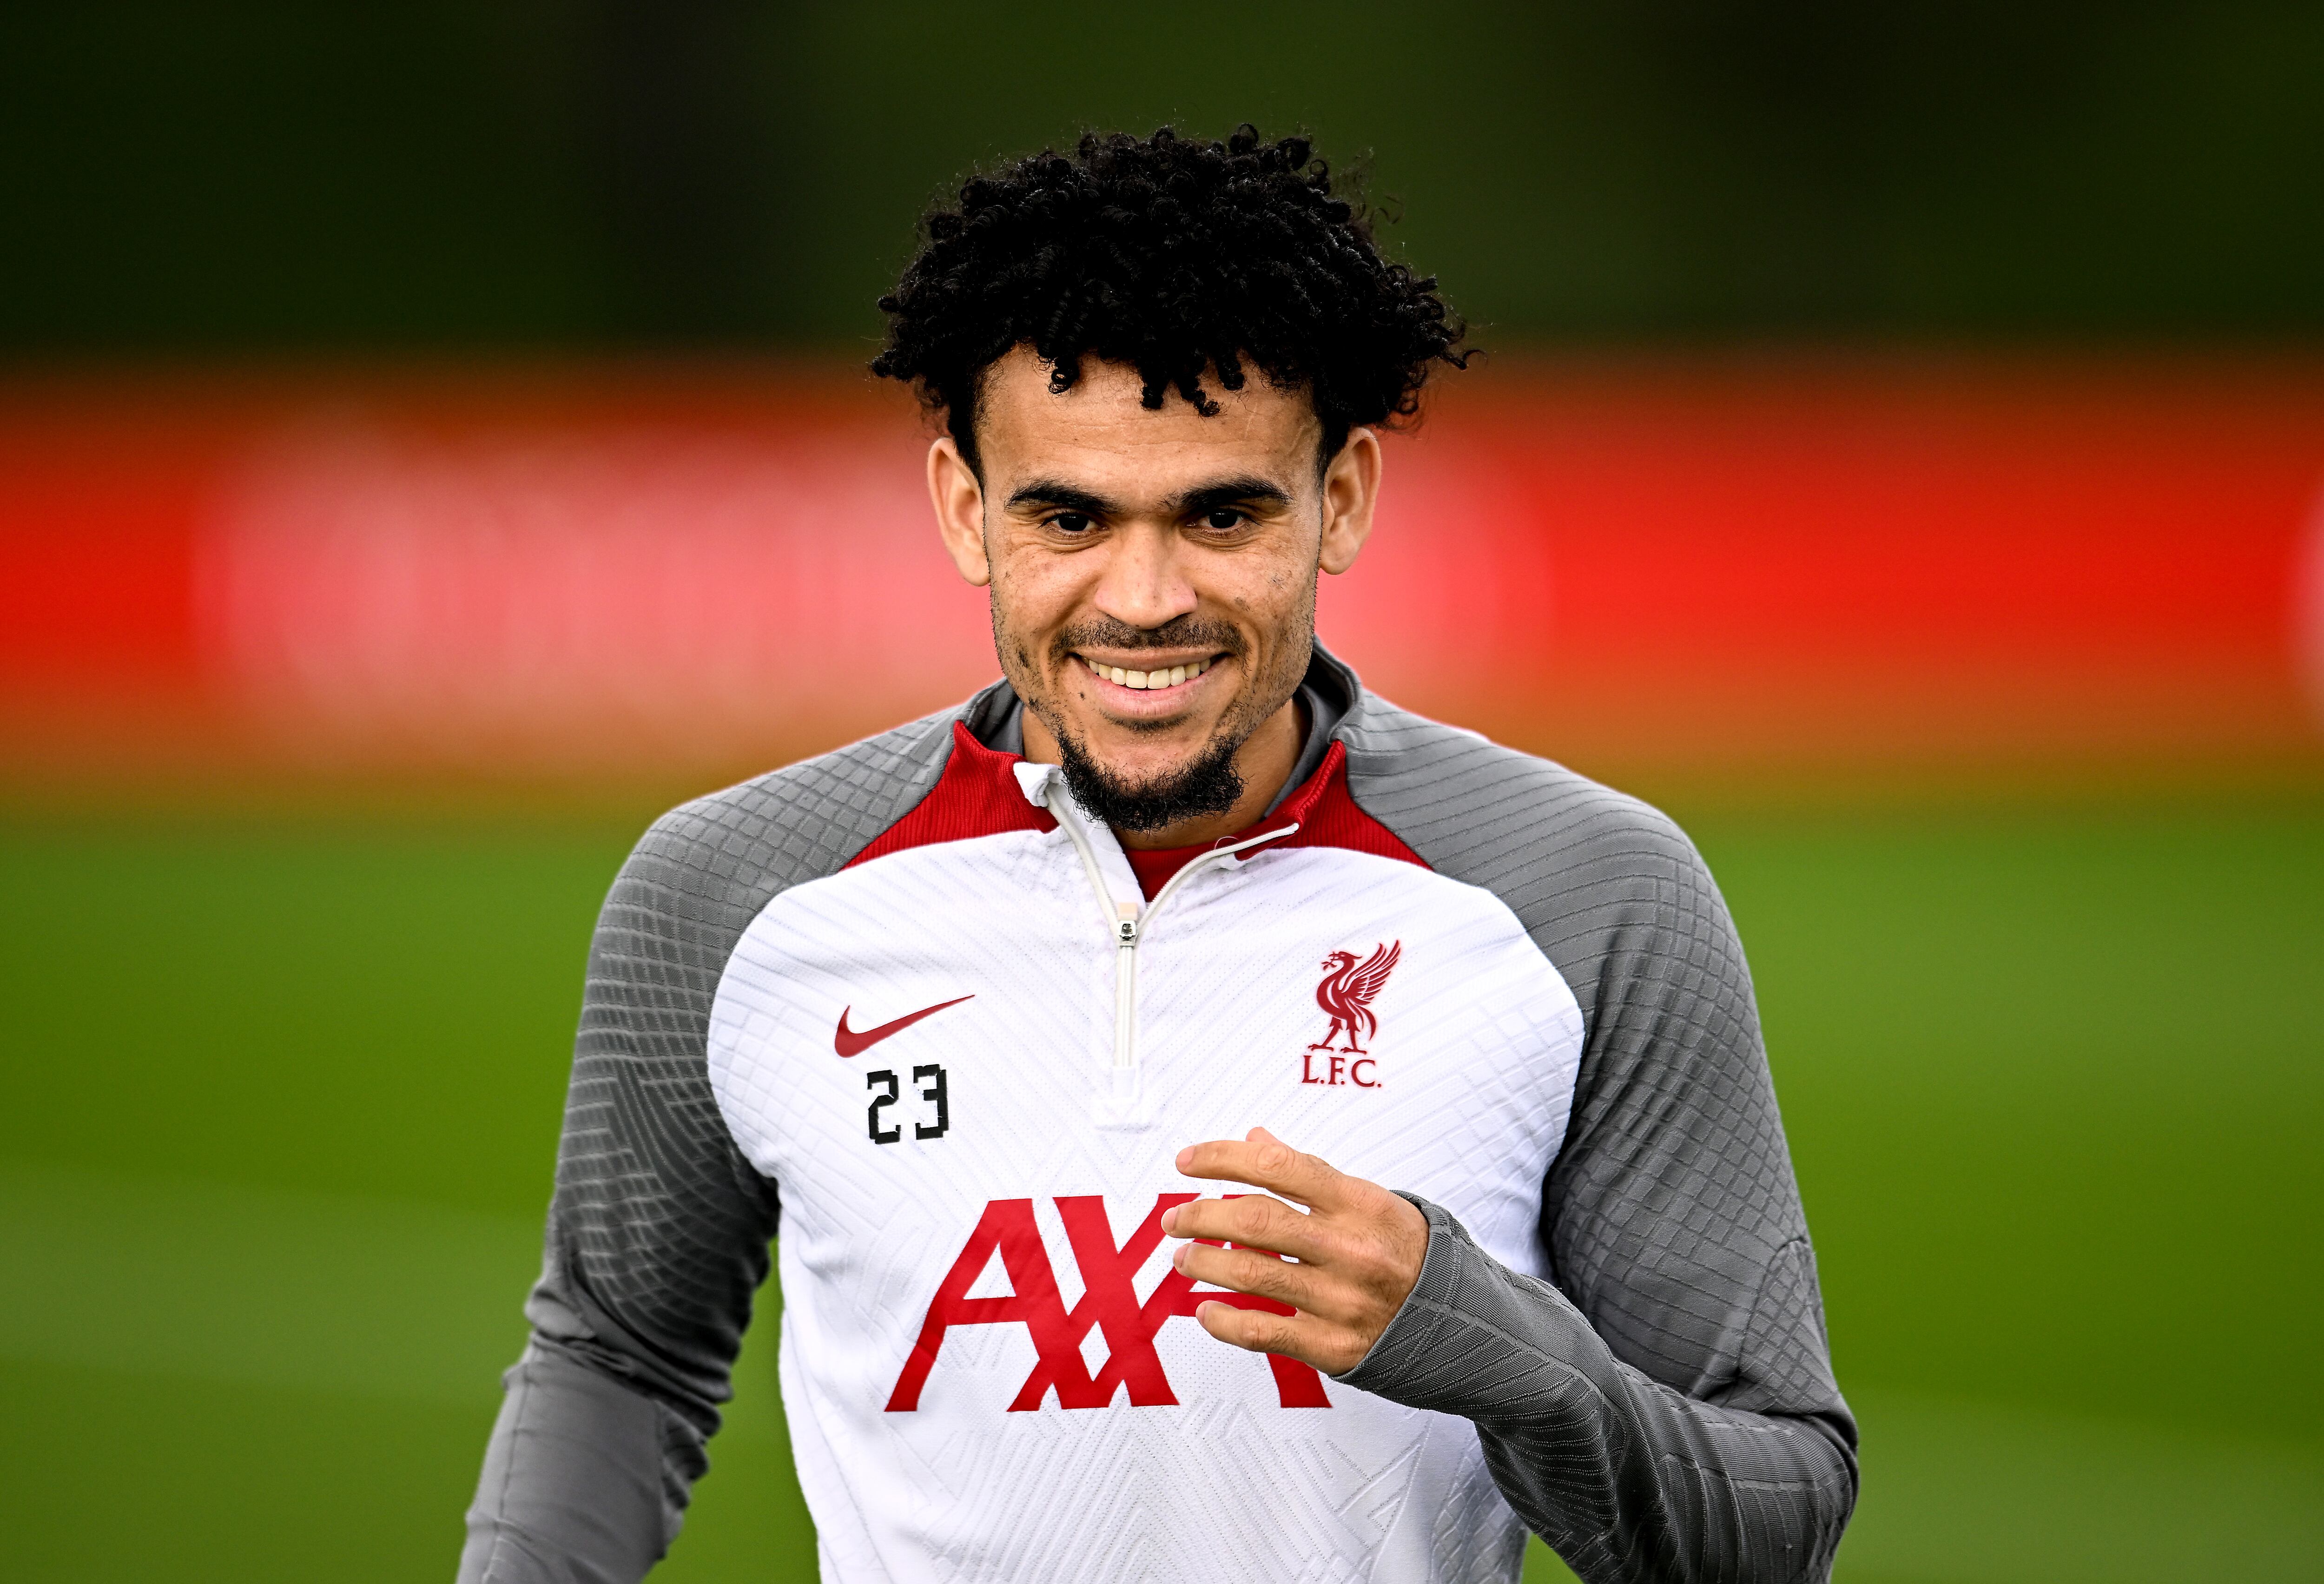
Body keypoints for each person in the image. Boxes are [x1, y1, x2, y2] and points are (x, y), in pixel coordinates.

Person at [459, 125, 1856, 1584]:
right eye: (1067, 515)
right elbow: (618, 1361)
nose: (1143, 598)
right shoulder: (732, 897)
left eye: (1222, 513)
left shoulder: (1590, 898)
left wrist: (1499, 1351)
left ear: (1345, 500)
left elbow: (1775, 1527)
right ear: (963, 509)